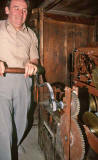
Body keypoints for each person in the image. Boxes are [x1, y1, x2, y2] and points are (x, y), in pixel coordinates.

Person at [0, 0, 39, 159]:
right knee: (4, 128)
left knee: (22, 122)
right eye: (16, 8)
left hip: (24, 81)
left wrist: (32, 63)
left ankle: (14, 144)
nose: (21, 13)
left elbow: (35, 59)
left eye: (24, 10)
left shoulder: (31, 34)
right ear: (7, 10)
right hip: (1, 80)